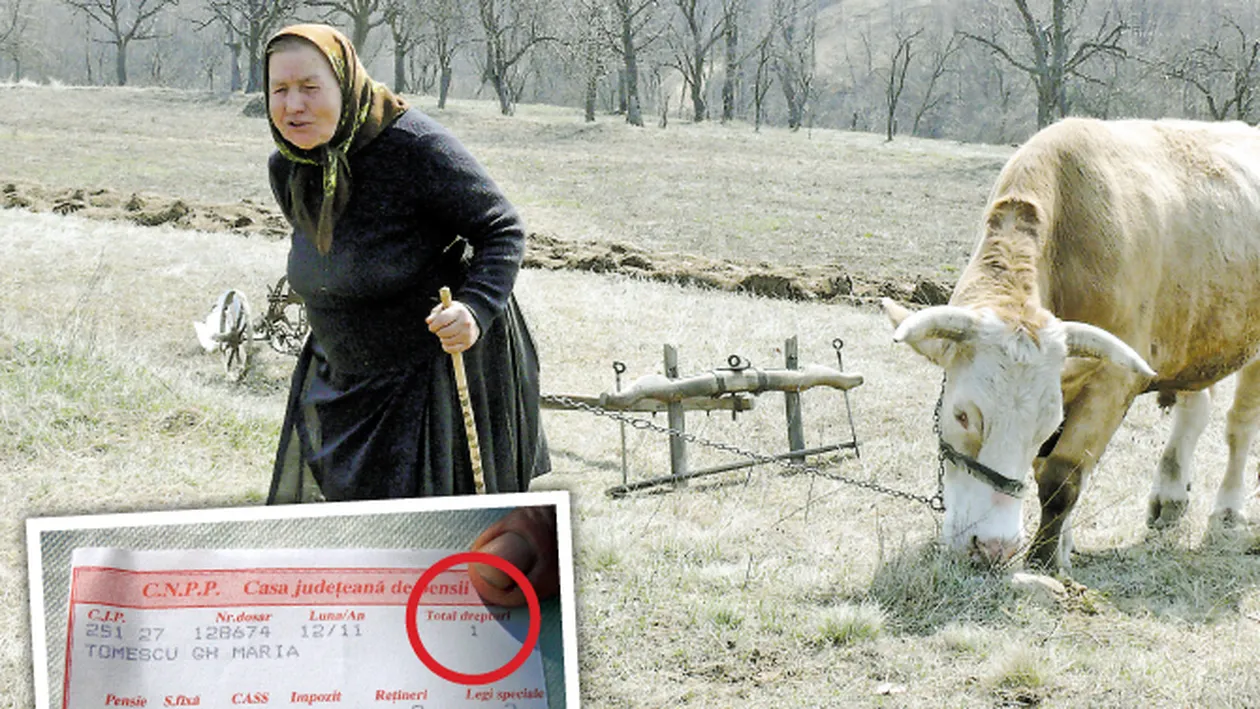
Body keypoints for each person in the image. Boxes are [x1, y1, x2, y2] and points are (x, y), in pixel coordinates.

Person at [261, 24, 554, 601]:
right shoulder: (288, 165)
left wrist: (474, 307)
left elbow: (502, 229)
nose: (293, 105)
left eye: (310, 87)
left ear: (345, 84)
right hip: (343, 375)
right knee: (359, 546)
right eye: (279, 90)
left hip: (434, 374)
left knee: (441, 553)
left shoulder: (414, 146)